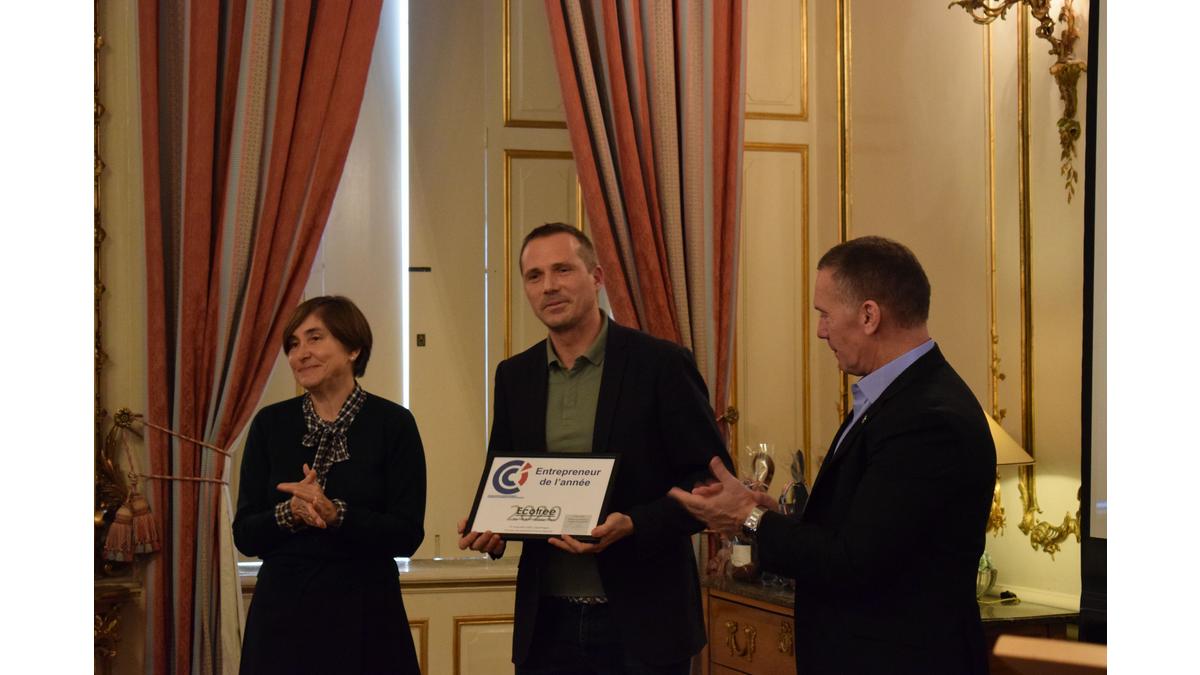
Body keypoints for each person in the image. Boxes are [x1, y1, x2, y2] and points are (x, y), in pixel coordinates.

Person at [671, 236, 996, 674]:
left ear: (869, 315)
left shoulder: (927, 420)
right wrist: (770, 515)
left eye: (825, 314)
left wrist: (748, 518)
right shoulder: (895, 398)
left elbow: (853, 563)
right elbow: (860, 531)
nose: (820, 331)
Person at [458, 223, 732, 674]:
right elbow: (505, 477)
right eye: (534, 276)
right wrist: (491, 527)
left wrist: (636, 524)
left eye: (563, 269)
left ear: (597, 277)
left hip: (645, 623)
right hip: (547, 626)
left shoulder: (661, 364)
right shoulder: (514, 376)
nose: (549, 286)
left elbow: (710, 483)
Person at [233, 296, 426, 675]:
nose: (300, 353)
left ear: (353, 348)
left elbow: (406, 535)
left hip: (366, 612)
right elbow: (245, 535)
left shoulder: (394, 424)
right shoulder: (270, 424)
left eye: (315, 338)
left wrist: (336, 514)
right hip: (282, 616)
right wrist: (290, 513)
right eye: (293, 344)